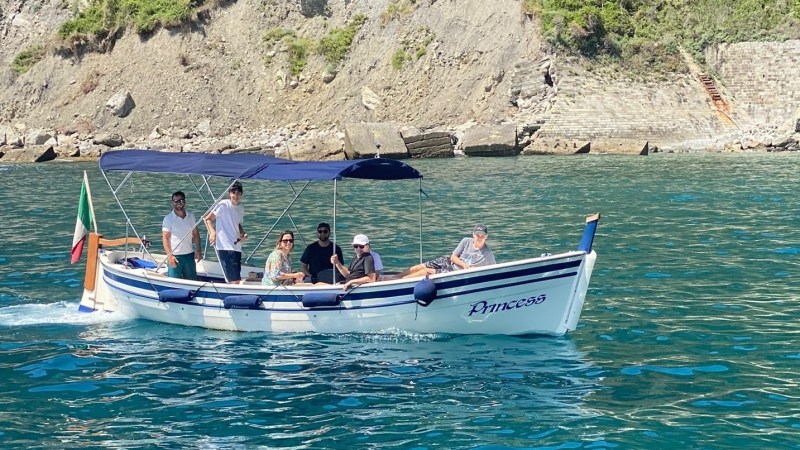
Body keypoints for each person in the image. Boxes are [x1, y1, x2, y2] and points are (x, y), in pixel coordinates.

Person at [400, 224, 496, 278]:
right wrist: (464, 265)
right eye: (477, 235)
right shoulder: (466, 241)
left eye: (482, 235)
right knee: (421, 266)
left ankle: (402, 281)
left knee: (426, 271)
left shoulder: (488, 254)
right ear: (473, 235)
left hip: (454, 271)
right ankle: (397, 277)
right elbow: (453, 257)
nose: (480, 238)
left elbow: (493, 271)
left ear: (486, 237)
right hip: (450, 261)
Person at [204, 181, 246, 284]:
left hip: (236, 246)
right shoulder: (223, 205)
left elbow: (238, 223)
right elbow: (207, 219)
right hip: (225, 246)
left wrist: (242, 233)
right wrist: (213, 233)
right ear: (229, 193)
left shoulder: (241, 207)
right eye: (233, 193)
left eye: (238, 193)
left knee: (236, 276)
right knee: (234, 279)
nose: (235, 196)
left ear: (241, 194)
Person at [161, 191, 202, 280]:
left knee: (192, 281)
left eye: (181, 200)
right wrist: (170, 256)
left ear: (185, 201)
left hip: (189, 255)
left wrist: (198, 250)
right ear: (173, 202)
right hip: (175, 256)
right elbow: (165, 238)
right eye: (176, 201)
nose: (179, 203)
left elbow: (195, 234)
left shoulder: (191, 216)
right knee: (174, 282)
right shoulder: (168, 219)